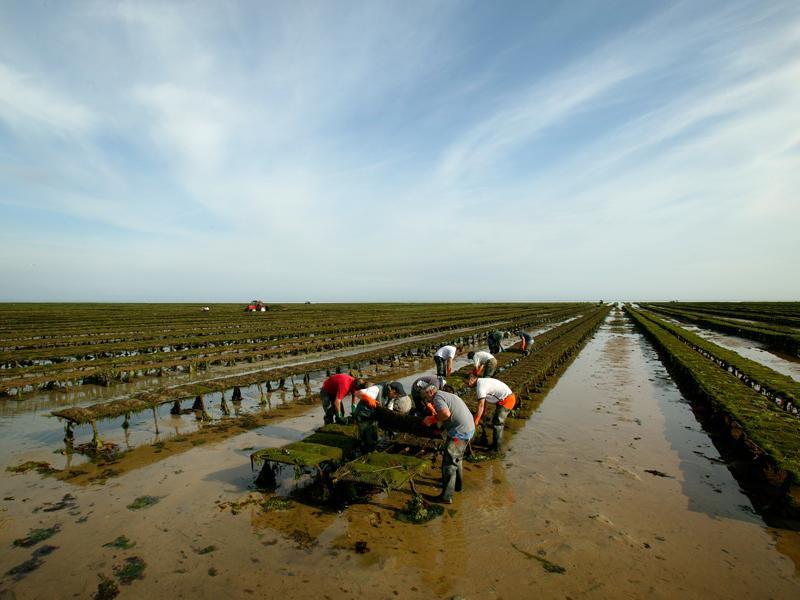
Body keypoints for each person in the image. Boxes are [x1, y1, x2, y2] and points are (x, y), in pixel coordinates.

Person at [419, 385, 475, 503]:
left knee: (449, 463)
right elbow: (449, 416)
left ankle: (446, 497)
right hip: (468, 428)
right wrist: (440, 427)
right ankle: (458, 486)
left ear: (430, 392)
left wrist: (431, 419)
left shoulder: (438, 398)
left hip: (459, 433)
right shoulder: (447, 395)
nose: (426, 400)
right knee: (457, 459)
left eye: (425, 396)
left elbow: (445, 414)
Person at [466, 373, 516, 451]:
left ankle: (496, 448)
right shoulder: (482, 381)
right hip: (505, 398)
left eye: (467, 382)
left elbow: (481, 405)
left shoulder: (480, 387)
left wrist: (476, 420)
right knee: (496, 421)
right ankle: (495, 444)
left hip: (507, 400)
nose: (467, 385)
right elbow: (484, 401)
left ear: (472, 379)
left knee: (497, 423)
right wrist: (482, 414)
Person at [352, 381, 407, 450]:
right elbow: (357, 393)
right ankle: (364, 448)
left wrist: (390, 426)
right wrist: (369, 399)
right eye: (396, 394)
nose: (396, 397)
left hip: (373, 416)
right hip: (363, 415)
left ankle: (371, 445)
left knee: (375, 436)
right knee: (367, 438)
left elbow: (389, 411)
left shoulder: (391, 397)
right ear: (391, 390)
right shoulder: (377, 389)